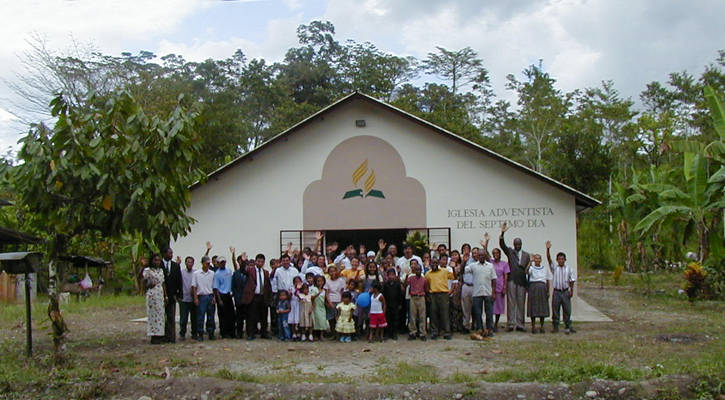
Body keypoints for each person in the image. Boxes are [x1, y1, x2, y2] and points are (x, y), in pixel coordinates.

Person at [499, 222, 531, 332]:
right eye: (515, 244)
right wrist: (502, 233)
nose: (517, 246)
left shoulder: (527, 255)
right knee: (511, 302)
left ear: (521, 244)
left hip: (522, 280)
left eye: (518, 244)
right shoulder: (510, 252)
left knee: (521, 302)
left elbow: (527, 269)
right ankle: (511, 324)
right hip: (512, 279)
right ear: (513, 244)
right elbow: (502, 245)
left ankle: (520, 324)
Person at [464, 244, 498, 336]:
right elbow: (464, 270)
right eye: (479, 255)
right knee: (478, 313)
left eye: (483, 255)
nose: (481, 257)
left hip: (488, 292)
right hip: (477, 293)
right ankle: (479, 329)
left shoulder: (490, 266)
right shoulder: (473, 266)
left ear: (486, 256)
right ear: (477, 256)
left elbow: (494, 280)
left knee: (489, 312)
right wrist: (464, 261)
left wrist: (493, 292)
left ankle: (489, 329)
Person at [546, 241, 577, 334]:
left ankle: (567, 325)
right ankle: (555, 326)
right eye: (559, 259)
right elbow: (549, 260)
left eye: (562, 259)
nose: (561, 260)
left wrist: (571, 290)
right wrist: (548, 249)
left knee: (567, 309)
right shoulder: (554, 268)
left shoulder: (569, 269)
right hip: (557, 292)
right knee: (555, 309)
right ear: (557, 260)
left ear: (565, 260)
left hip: (565, 291)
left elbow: (572, 280)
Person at [242, 254, 273, 340]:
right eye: (258, 261)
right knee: (251, 316)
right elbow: (242, 271)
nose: (260, 263)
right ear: (255, 262)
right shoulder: (250, 270)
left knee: (264, 316)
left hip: (263, 296)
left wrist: (269, 297)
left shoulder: (266, 272)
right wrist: (243, 262)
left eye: (262, 262)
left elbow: (268, 286)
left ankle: (264, 332)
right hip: (253, 296)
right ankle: (251, 334)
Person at [425, 255, 455, 340]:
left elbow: (453, 277)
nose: (434, 264)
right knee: (433, 314)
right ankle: (434, 332)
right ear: (430, 263)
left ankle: (447, 332)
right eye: (432, 263)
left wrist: (453, 268)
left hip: (443, 294)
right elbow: (426, 285)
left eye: (436, 263)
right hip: (433, 295)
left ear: (438, 263)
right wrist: (428, 295)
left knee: (445, 314)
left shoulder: (444, 271)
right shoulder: (428, 274)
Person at [143, 254, 167, 344]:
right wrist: (148, 285)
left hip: (160, 294)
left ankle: (160, 335)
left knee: (160, 315)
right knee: (153, 315)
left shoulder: (160, 270)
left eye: (158, 260)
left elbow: (163, 283)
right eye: (155, 260)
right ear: (152, 261)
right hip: (152, 294)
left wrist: (166, 295)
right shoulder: (148, 270)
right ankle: (153, 335)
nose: (157, 262)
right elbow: (142, 280)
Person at [526, 253, 553, 334]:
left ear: (541, 260)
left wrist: (548, 291)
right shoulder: (531, 267)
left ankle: (542, 326)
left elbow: (547, 280)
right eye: (536, 258)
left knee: (542, 306)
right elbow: (526, 272)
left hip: (542, 287)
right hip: (533, 287)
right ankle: (533, 326)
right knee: (533, 306)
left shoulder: (544, 268)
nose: (537, 260)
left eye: (539, 258)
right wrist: (530, 261)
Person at [160, 247, 182, 343]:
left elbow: (179, 280)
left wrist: (179, 294)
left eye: (172, 253)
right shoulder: (159, 265)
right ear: (164, 254)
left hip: (172, 295)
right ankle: (161, 336)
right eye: (169, 253)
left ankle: (171, 336)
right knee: (161, 316)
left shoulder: (175, 266)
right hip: (160, 294)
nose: (171, 255)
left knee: (171, 316)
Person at [192, 256, 216, 341]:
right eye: (207, 263)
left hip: (210, 295)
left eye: (209, 263)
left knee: (211, 316)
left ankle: (211, 332)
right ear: (202, 263)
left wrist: (214, 297)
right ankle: (200, 333)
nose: (208, 265)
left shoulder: (212, 273)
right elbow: (194, 287)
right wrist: (195, 298)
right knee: (200, 316)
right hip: (201, 296)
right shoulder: (197, 274)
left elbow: (214, 286)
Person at [213, 257, 235, 338]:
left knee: (231, 315)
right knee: (223, 316)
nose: (223, 264)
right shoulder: (217, 274)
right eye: (221, 262)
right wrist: (219, 300)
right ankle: (224, 332)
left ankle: (232, 332)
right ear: (218, 263)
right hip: (221, 295)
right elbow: (216, 288)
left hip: (228, 295)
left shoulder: (229, 271)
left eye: (224, 262)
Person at [406, 260, 428, 340]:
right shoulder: (411, 278)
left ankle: (422, 333)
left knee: (422, 316)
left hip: (421, 297)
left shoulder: (424, 279)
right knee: (412, 316)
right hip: (413, 297)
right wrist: (406, 275)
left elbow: (426, 289)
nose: (418, 271)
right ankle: (413, 332)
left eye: (419, 270)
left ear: (421, 270)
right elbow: (406, 284)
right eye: (416, 270)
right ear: (414, 271)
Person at [179, 256, 199, 341]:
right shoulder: (181, 272)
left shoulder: (196, 273)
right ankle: (182, 333)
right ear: (185, 263)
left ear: (193, 263)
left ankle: (194, 333)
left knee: (194, 317)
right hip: (183, 298)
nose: (189, 264)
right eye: (188, 262)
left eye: (191, 262)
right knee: (183, 317)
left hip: (192, 298)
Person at [325, 266, 346, 339]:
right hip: (331, 300)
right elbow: (327, 293)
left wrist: (342, 302)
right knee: (331, 318)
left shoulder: (341, 281)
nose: (333, 273)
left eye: (334, 271)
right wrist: (329, 302)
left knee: (338, 318)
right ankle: (332, 333)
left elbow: (342, 292)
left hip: (339, 300)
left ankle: (338, 334)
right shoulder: (327, 281)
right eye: (331, 271)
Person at [231, 248, 248, 339]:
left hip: (248, 299)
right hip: (239, 299)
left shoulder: (249, 272)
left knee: (249, 316)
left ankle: (250, 332)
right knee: (239, 317)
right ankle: (239, 332)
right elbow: (233, 286)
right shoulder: (236, 273)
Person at [382, 268, 404, 340]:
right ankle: (387, 333)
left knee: (395, 319)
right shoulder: (385, 285)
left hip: (395, 304)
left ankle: (394, 333)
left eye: (393, 275)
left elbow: (400, 295)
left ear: (395, 276)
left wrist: (400, 303)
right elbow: (384, 295)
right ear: (387, 276)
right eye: (390, 275)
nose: (391, 276)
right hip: (388, 304)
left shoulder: (397, 285)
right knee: (387, 319)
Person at [310, 275, 329, 341]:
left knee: (322, 321)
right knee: (316, 321)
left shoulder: (324, 290)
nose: (320, 283)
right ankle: (315, 335)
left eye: (321, 281)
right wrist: (317, 294)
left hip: (322, 307)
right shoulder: (314, 289)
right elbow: (311, 298)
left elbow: (325, 299)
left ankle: (322, 335)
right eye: (318, 281)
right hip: (316, 307)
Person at [289, 276, 303, 341]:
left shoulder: (302, 289)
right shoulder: (291, 289)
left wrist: (299, 290)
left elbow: (301, 297)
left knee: (299, 319)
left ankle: (299, 333)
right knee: (293, 319)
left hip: (299, 304)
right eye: (296, 282)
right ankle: (293, 333)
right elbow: (290, 296)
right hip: (293, 304)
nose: (297, 283)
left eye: (299, 282)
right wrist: (295, 290)